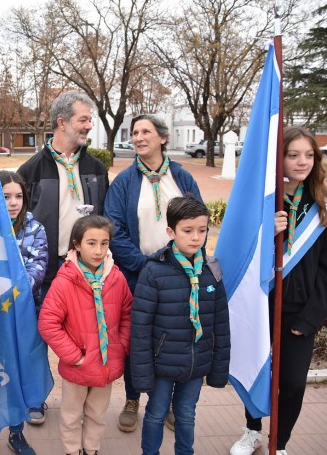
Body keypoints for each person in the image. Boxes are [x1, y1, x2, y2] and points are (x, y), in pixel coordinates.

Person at [229, 127, 327, 455]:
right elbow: (242, 252)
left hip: (300, 313)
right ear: (279, 158)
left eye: (309, 155)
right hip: (262, 305)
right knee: (256, 370)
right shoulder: (264, 202)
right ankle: (253, 430)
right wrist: (266, 233)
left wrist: (312, 317)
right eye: (293, 154)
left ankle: (279, 443)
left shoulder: (321, 205)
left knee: (294, 384)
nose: (302, 162)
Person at [104, 113, 202, 433]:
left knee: (173, 338)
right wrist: (146, 266)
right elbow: (115, 230)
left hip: (179, 275)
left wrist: (181, 264)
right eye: (134, 132)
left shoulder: (182, 178)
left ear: (162, 138)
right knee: (139, 340)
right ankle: (133, 399)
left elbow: (197, 220)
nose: (138, 137)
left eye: (145, 131)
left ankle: (168, 404)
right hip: (139, 275)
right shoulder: (124, 182)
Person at [18, 91, 109, 424]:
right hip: (46, 268)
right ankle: (35, 398)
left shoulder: (96, 168)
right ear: (62, 122)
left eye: (89, 119)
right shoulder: (30, 168)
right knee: (37, 335)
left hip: (86, 268)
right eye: (83, 119)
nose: (88, 125)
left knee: (85, 334)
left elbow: (105, 216)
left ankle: (83, 400)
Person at [130, 194, 230, 455]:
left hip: (196, 365)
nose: (196, 237)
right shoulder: (154, 271)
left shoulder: (211, 271)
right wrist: (142, 373)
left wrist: (219, 368)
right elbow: (140, 327)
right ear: (170, 231)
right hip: (162, 363)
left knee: (186, 414)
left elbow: (221, 324)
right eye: (187, 231)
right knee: (155, 413)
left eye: (202, 230)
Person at [38, 215, 132, 455]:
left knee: (97, 414)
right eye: (91, 243)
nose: (99, 250)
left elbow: (127, 315)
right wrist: (75, 356)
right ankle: (72, 450)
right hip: (77, 365)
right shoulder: (65, 282)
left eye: (104, 243)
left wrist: (119, 347)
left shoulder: (117, 278)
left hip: (106, 364)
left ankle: (91, 449)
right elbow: (48, 323)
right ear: (76, 245)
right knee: (70, 415)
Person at [0, 170, 49, 455]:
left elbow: (38, 268)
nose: (13, 202)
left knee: (20, 370)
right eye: (6, 197)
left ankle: (17, 432)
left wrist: (9, 291)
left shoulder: (35, 229)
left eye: (18, 196)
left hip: (24, 313)